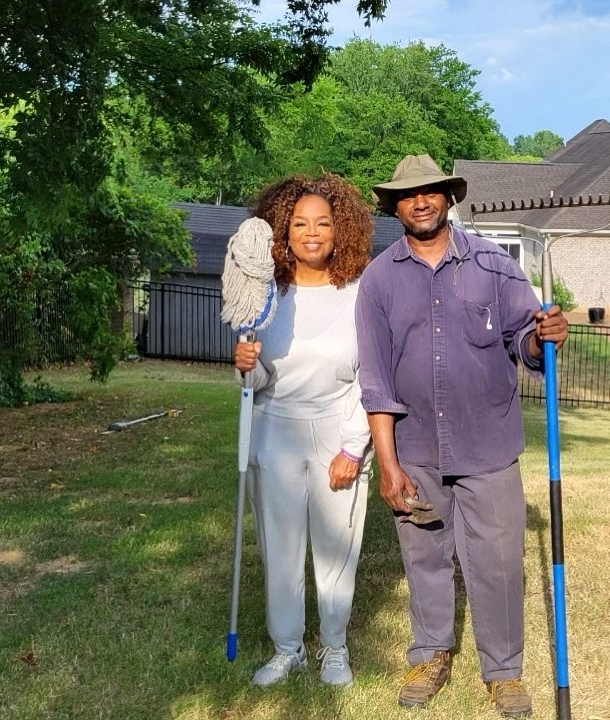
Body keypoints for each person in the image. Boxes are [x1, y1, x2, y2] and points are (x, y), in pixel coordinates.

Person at [355, 154, 568, 718]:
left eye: (431, 192)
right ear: (394, 206)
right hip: (415, 448)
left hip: (488, 445)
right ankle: (431, 653)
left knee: (497, 560)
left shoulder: (496, 266)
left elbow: (526, 341)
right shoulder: (378, 279)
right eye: (408, 195)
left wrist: (546, 336)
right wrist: (387, 461)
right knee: (424, 553)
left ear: (449, 198)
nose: (420, 201)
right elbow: (375, 379)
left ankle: (502, 671)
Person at [233, 173, 374, 688]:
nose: (311, 233)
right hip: (275, 432)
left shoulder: (361, 294)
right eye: (299, 223)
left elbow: (371, 377)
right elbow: (262, 378)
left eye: (323, 223)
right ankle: (286, 648)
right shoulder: (266, 297)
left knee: (338, 547)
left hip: (337, 429)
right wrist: (246, 363)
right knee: (280, 546)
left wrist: (352, 447)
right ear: (282, 231)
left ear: (342, 232)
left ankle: (333, 648)